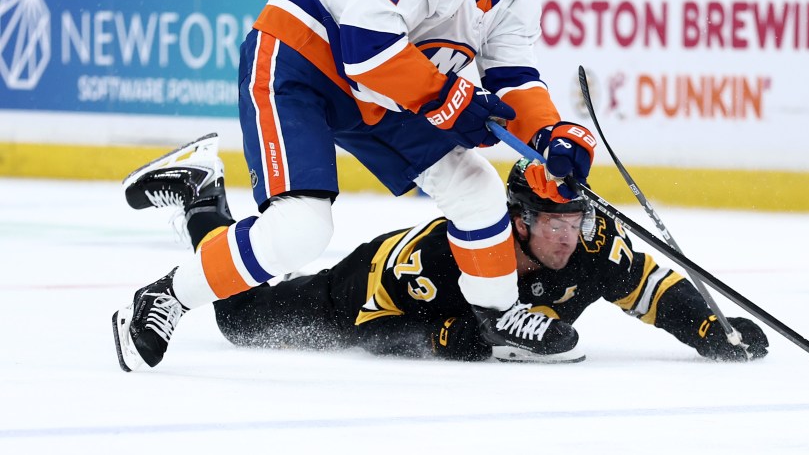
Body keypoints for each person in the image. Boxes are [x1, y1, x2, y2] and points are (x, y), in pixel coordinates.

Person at [112, 0, 598, 373]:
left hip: (383, 88)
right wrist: (454, 102)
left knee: (475, 188)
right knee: (301, 229)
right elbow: (365, 50)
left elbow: (514, 79)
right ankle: (166, 296)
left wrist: (550, 136)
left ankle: (499, 320)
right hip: (303, 58)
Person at [120, 142, 770, 364]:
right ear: (515, 220)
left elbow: (652, 288)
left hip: (410, 299)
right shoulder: (448, 258)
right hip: (366, 292)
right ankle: (203, 192)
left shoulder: (592, 241)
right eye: (551, 220)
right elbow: (377, 332)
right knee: (237, 315)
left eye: (574, 217)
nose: (568, 234)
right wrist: (447, 337)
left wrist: (707, 328)